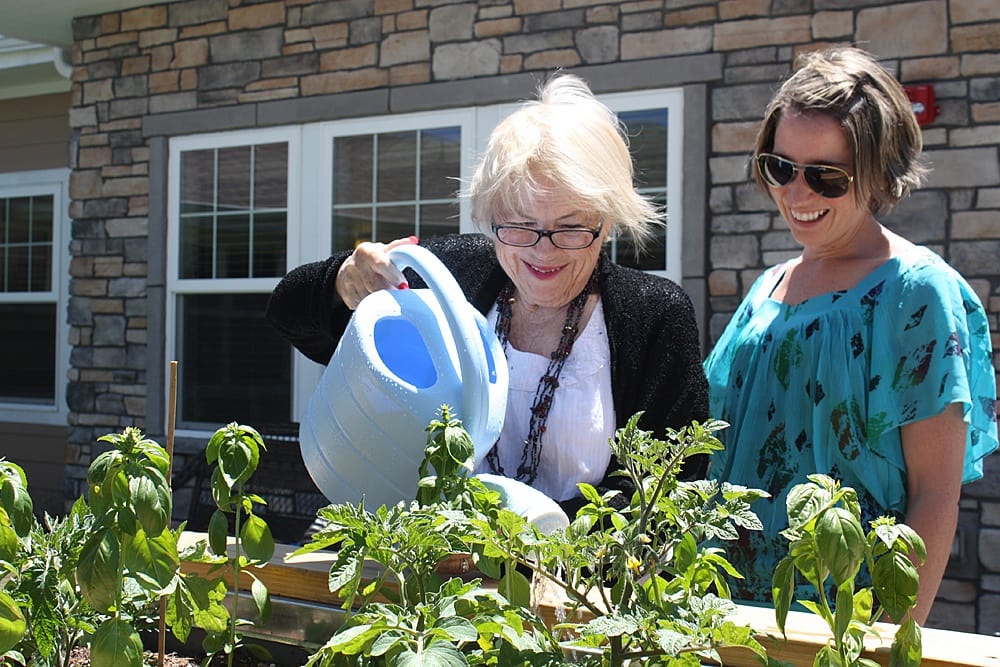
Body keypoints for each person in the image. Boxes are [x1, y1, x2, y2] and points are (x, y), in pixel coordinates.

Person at [266, 73, 709, 518]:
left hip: (579, 583)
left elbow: (671, 494)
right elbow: (289, 314)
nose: (543, 250)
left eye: (571, 226)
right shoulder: (453, 277)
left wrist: (520, 537)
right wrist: (345, 281)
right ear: (491, 213)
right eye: (519, 224)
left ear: (607, 222)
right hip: (434, 576)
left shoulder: (655, 316)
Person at [704, 47, 998, 624]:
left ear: (877, 173)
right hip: (726, 620)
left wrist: (892, 641)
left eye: (826, 177)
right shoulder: (767, 289)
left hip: (844, 624)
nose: (796, 193)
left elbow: (935, 495)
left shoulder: (917, 291)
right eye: (780, 167)